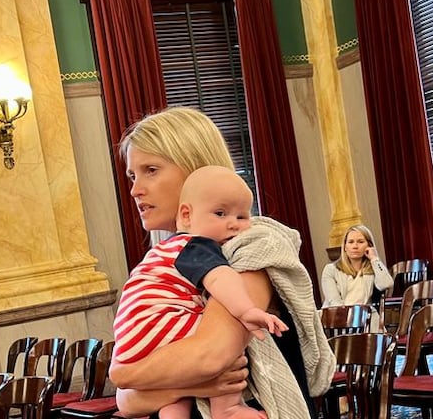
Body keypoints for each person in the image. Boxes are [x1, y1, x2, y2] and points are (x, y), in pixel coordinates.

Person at [111, 107, 335, 419]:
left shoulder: (252, 244)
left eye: (151, 170)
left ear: (195, 169)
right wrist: (186, 384)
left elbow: (211, 355)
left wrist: (124, 372)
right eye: (133, 175)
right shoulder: (173, 257)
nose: (136, 190)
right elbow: (127, 401)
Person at [114, 166, 288, 419]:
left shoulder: (163, 251)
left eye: (151, 170)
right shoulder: (195, 245)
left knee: (177, 394)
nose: (135, 190)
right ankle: (227, 410)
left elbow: (126, 388)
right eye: (221, 214)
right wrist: (246, 310)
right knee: (228, 351)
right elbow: (220, 279)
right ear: (187, 214)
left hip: (133, 337)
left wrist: (131, 374)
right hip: (160, 322)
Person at [321, 225, 393, 329]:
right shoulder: (330, 270)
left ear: (369, 245)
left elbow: (386, 283)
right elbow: (335, 303)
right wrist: (352, 321)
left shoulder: (373, 269)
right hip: (338, 322)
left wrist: (374, 258)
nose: (355, 246)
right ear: (345, 247)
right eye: (351, 242)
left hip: (366, 320)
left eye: (360, 242)